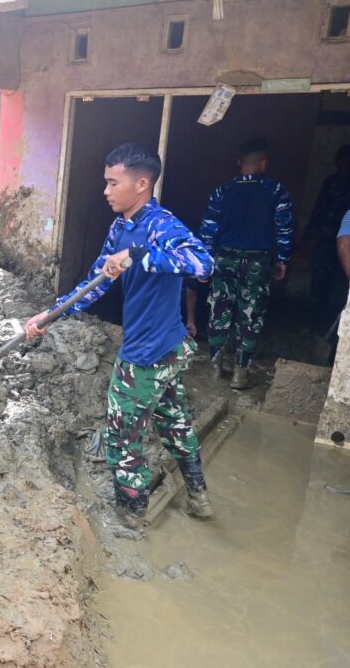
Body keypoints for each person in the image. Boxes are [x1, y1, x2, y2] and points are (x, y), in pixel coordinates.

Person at [25, 143, 215, 529]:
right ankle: (199, 499)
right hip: (167, 349)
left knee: (122, 438)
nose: (106, 191)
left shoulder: (162, 225)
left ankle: (131, 522)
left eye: (114, 183)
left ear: (142, 183)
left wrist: (138, 255)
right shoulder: (121, 227)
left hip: (147, 354)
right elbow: (96, 282)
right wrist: (51, 314)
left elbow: (202, 263)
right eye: (106, 183)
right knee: (175, 421)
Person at [199, 137, 293, 390]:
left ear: (239, 162)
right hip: (257, 261)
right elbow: (283, 227)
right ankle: (241, 372)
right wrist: (283, 259)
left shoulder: (222, 191)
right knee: (251, 315)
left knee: (219, 310)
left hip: (224, 258)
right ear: (263, 163)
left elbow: (208, 229)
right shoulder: (276, 190)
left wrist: (204, 262)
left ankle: (216, 367)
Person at [307, 145, 350, 309]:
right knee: (319, 279)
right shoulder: (330, 181)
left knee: (340, 283)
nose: (343, 165)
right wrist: (310, 231)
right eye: (341, 160)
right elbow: (319, 207)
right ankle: (314, 322)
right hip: (325, 239)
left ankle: (331, 323)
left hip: (345, 241)